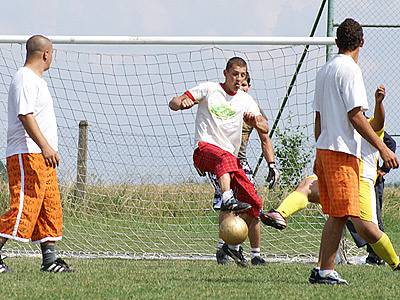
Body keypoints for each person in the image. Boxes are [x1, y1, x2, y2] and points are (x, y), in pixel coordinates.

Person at [264, 86, 400, 275]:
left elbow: (379, 121)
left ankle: (396, 262)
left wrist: (379, 103)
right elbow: (322, 135)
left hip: (360, 183)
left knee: (367, 230)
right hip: (339, 177)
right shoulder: (338, 132)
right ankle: (281, 214)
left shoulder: (370, 127)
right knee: (308, 185)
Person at [311, 18, 398, 285]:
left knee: (337, 214)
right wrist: (383, 147)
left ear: (336, 42)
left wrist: (318, 151)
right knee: (341, 213)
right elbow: (356, 116)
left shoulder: (324, 70)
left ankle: (323, 269)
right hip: (341, 153)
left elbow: (318, 119)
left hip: (326, 149)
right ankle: (326, 270)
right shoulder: (350, 70)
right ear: (361, 42)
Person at [169, 57, 270, 267]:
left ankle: (230, 248)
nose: (238, 79)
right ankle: (227, 197)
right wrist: (182, 103)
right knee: (224, 157)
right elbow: (174, 102)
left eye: (242, 75)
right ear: (225, 73)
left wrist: (255, 121)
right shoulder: (209, 89)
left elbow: (264, 128)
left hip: (231, 162)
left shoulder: (246, 100)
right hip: (204, 151)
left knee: (255, 205)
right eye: (235, 74)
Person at [0, 35, 72, 273]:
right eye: (52, 53)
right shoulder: (24, 78)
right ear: (45, 54)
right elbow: (25, 115)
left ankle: (50, 260)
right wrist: (45, 146)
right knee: (24, 208)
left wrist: (47, 150)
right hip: (26, 153)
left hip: (42, 158)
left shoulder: (38, 81)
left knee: (49, 207)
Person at [208, 74, 279, 266]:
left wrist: (271, 165)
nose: (242, 87)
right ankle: (223, 248)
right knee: (228, 203)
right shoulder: (223, 105)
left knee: (254, 203)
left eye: (246, 84)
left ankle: (255, 254)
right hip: (221, 161)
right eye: (239, 83)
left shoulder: (253, 109)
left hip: (242, 162)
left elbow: (265, 138)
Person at [346, 131, 397, 265]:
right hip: (352, 178)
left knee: (374, 219)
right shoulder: (347, 127)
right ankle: (372, 249)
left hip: (372, 180)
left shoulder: (369, 125)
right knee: (348, 215)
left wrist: (384, 169)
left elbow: (391, 143)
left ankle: (377, 255)